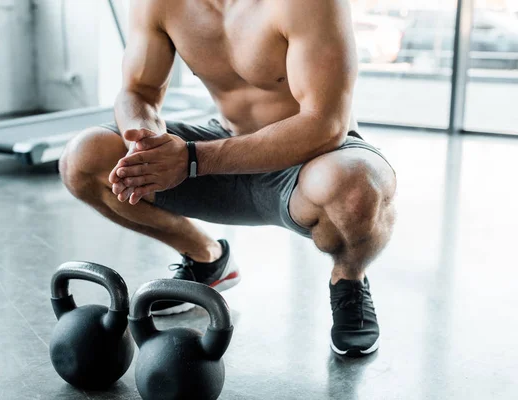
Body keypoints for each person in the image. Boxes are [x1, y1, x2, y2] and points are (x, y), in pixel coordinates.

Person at [59, 0, 397, 357]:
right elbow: (137, 91)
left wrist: (192, 159)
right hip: (222, 142)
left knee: (356, 185)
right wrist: (143, 139)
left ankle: (349, 280)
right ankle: (207, 259)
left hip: (311, 159)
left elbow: (325, 125)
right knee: (83, 158)